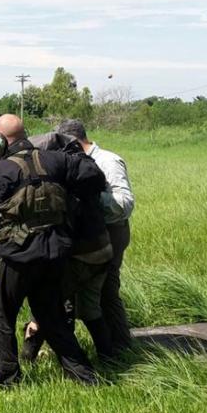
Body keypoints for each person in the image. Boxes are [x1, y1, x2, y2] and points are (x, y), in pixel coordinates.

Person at [0, 115, 107, 387]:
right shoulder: (56, 161)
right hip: (56, 256)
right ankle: (85, 377)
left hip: (20, 261)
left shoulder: (1, 172)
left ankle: (8, 380)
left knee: (2, 316)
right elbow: (94, 177)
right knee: (53, 318)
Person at [21, 128, 114, 362]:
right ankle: (109, 358)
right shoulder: (84, 175)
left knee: (44, 305)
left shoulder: (60, 183)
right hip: (102, 248)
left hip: (81, 255)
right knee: (91, 309)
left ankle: (28, 359)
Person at [59, 119, 135, 354]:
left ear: (73, 141)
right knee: (74, 293)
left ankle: (120, 348)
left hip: (111, 232)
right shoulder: (72, 160)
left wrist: (90, 198)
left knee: (107, 291)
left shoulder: (107, 161)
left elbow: (124, 204)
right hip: (87, 234)